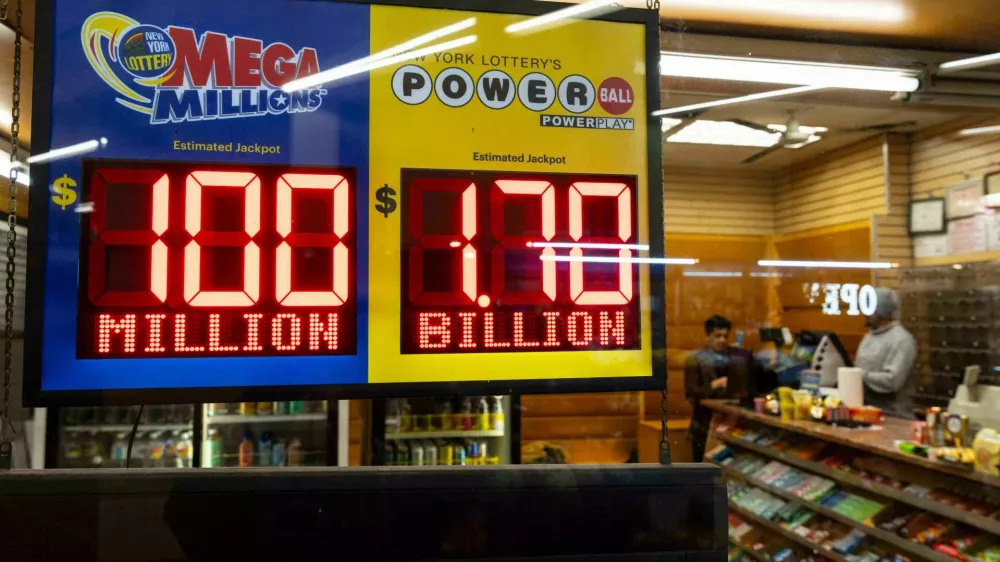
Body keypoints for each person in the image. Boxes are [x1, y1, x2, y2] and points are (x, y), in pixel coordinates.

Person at [684, 315, 757, 462]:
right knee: (701, 466)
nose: (722, 340)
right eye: (717, 336)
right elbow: (690, 391)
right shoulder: (695, 359)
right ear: (708, 336)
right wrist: (714, 385)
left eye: (725, 336)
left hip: (731, 422)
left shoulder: (737, 358)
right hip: (704, 424)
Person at [855, 287, 917, 418]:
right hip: (869, 413)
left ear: (881, 312)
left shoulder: (901, 340)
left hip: (895, 417)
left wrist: (861, 375)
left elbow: (893, 381)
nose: (865, 314)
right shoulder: (869, 337)